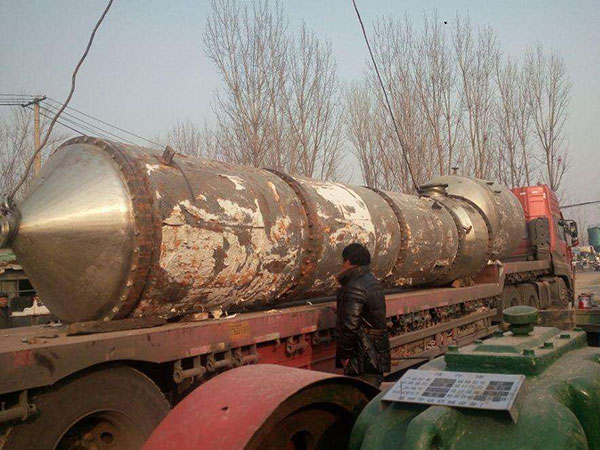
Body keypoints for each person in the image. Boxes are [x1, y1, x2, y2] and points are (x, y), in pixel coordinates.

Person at [335, 243, 390, 387]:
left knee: (360, 393)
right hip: (374, 351)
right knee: (372, 391)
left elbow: (350, 326)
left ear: (348, 262)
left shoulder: (354, 286)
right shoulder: (372, 281)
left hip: (361, 355)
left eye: (343, 261)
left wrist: (345, 356)